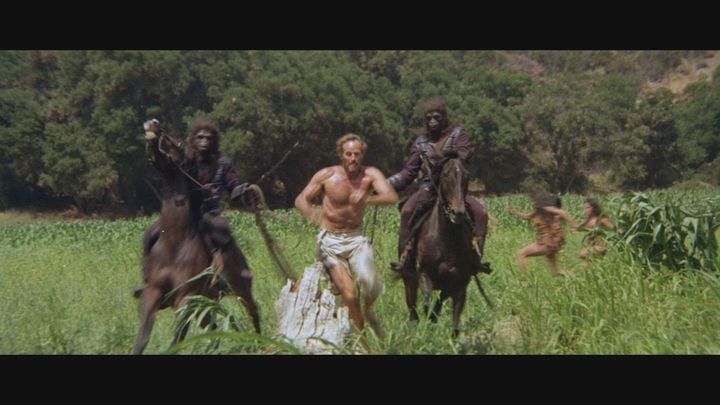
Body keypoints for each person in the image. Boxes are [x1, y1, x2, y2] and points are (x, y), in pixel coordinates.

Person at [295, 133, 398, 336]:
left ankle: (367, 311)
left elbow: (391, 197)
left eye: (357, 154)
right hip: (331, 243)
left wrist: (367, 198)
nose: (353, 158)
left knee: (372, 287)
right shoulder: (327, 175)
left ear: (362, 155)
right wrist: (313, 216)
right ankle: (360, 342)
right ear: (341, 155)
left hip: (356, 240)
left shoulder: (370, 175)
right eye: (349, 154)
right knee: (350, 295)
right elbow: (301, 200)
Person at [142, 120, 252, 287]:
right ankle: (149, 276)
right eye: (200, 137)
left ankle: (226, 275)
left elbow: (233, 185)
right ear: (194, 139)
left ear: (214, 141)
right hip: (185, 212)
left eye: (208, 138)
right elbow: (167, 155)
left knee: (222, 232)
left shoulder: (223, 162)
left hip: (209, 212)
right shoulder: (187, 159)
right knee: (150, 234)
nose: (204, 141)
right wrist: (155, 138)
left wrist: (242, 190)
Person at [387, 97, 489, 274]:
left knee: (480, 212)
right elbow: (409, 172)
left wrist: (451, 154)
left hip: (453, 187)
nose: (433, 121)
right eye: (429, 118)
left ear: (444, 118)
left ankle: (476, 257)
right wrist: (386, 184)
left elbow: (465, 154)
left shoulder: (458, 135)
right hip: (429, 187)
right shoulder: (420, 143)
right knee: (407, 211)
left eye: (437, 117)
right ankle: (405, 259)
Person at [506, 192, 578, 277]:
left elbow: (562, 213)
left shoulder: (546, 209)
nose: (533, 204)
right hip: (549, 243)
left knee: (521, 253)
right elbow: (527, 217)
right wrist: (514, 212)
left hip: (547, 244)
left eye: (534, 202)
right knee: (557, 271)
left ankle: (524, 279)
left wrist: (574, 226)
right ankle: (573, 277)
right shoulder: (538, 211)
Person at [577, 198, 615, 265]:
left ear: (594, 208)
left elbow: (614, 228)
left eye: (588, 208)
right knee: (586, 264)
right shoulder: (588, 220)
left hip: (600, 246)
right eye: (585, 208)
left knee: (583, 253)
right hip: (591, 245)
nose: (586, 210)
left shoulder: (602, 219)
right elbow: (579, 228)